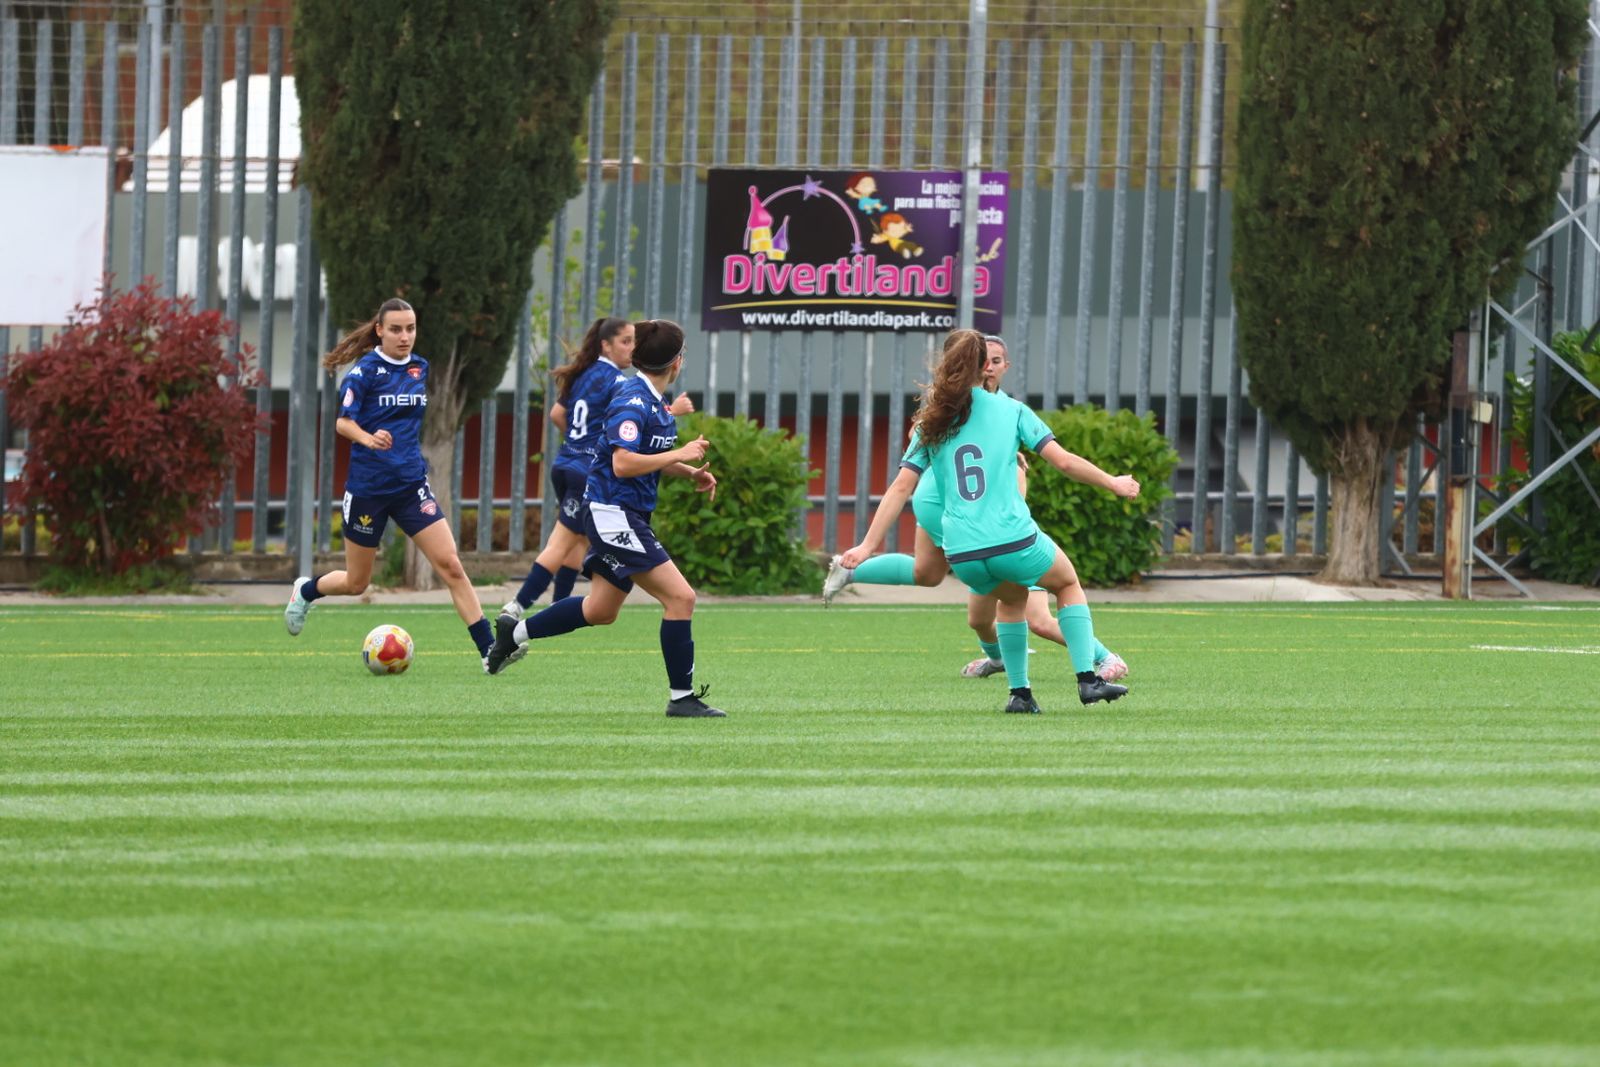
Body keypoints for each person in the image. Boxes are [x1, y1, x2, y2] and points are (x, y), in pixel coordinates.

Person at [827, 335, 1128, 685]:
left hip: (959, 538)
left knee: (963, 598)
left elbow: (901, 485)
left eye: (1000, 359)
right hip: (995, 532)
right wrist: (1112, 482)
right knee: (1035, 605)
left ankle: (1016, 681)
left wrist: (866, 545)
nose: (994, 365)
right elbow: (1062, 462)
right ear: (983, 366)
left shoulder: (933, 417)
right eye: (990, 359)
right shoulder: (1010, 412)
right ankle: (1090, 671)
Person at [485, 319, 724, 718]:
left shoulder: (652, 401)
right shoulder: (632, 400)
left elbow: (647, 456)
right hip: (614, 515)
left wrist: (689, 471)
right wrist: (680, 454)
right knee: (681, 598)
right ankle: (682, 698)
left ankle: (514, 633)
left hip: (623, 514)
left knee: (600, 611)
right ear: (677, 362)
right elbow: (624, 462)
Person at [283, 298, 496, 670]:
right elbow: (343, 423)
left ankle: (491, 651)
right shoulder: (363, 374)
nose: (405, 336)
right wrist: (368, 439)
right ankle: (306, 590)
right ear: (380, 330)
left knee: (451, 566)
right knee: (356, 583)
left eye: (410, 328)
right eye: (396, 329)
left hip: (411, 486)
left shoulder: (420, 367)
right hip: (368, 491)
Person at [500, 318, 693, 625]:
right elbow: (633, 421)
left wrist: (580, 441)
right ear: (606, 345)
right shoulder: (618, 382)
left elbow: (556, 414)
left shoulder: (584, 373)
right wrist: (596, 446)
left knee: (582, 560)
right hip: (593, 480)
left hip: (565, 462)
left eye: (633, 342)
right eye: (625, 342)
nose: (631, 348)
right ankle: (516, 607)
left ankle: (545, 616)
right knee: (561, 544)